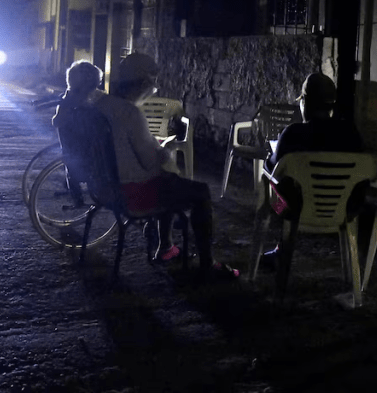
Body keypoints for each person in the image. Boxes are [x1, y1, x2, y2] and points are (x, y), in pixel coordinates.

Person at [92, 52, 239, 281]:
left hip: (104, 189)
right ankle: (206, 264)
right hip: (133, 193)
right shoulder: (131, 113)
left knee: (171, 181)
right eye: (153, 83)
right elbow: (153, 161)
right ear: (143, 83)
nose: (154, 89)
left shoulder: (101, 104)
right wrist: (168, 147)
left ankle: (167, 246)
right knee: (198, 191)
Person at [260, 73, 364, 268]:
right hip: (342, 211)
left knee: (272, 188)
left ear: (305, 102)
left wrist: (268, 161)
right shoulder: (350, 134)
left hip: (295, 211)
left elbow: (273, 171)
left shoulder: (293, 133)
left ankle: (282, 247)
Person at [52, 60, 105, 207]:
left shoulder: (67, 99)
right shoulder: (83, 106)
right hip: (87, 159)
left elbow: (56, 122)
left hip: (72, 156)